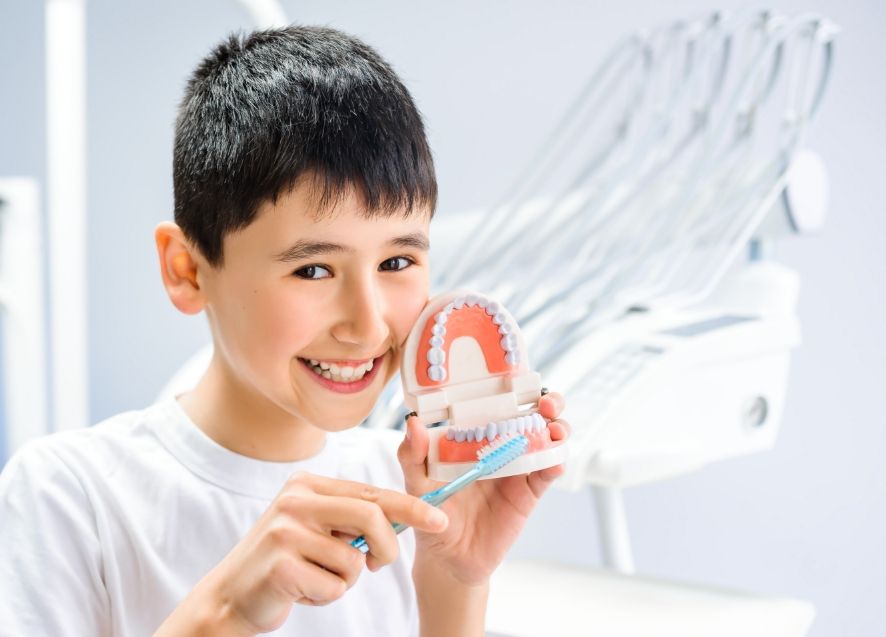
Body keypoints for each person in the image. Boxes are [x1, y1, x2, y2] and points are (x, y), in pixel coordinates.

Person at [0, 25, 568, 636]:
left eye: (397, 262)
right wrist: (225, 613)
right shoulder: (69, 496)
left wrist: (456, 584)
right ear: (187, 270)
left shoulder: (413, 488)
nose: (368, 322)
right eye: (313, 269)